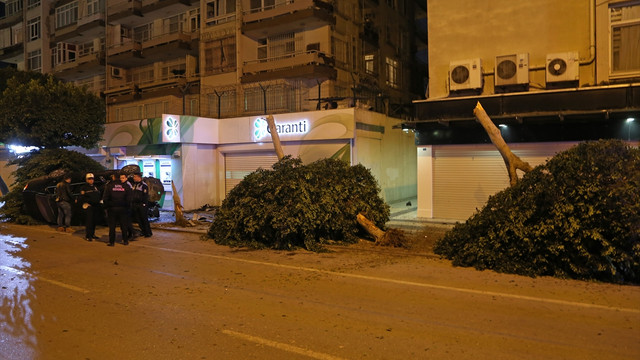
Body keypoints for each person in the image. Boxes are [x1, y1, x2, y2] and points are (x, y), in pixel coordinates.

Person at [102, 172, 132, 246]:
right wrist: (127, 207)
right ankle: (125, 240)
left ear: (114, 177)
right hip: (123, 208)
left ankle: (111, 242)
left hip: (112, 209)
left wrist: (106, 207)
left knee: (112, 226)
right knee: (123, 225)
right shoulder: (126, 186)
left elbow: (105, 198)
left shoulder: (109, 186)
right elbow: (129, 199)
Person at [78, 173, 102, 241]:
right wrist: (86, 202)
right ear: (86, 180)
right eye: (89, 179)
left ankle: (92, 234)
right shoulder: (84, 188)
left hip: (96, 206)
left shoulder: (95, 187)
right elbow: (81, 197)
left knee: (94, 221)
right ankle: (88, 235)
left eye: (92, 179)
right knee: (89, 222)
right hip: (89, 207)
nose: (91, 180)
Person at [131, 172, 152, 238]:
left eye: (135, 177)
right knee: (138, 219)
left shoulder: (143, 185)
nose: (134, 178)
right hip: (135, 204)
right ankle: (143, 231)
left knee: (144, 219)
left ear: (138, 177)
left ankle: (148, 232)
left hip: (142, 205)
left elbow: (145, 196)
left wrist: (144, 204)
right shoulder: (134, 185)